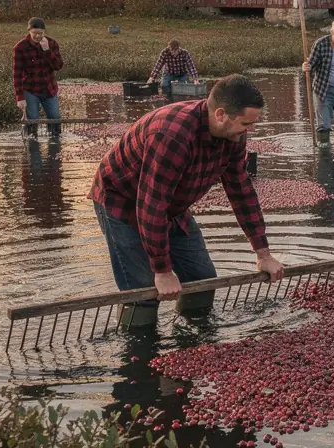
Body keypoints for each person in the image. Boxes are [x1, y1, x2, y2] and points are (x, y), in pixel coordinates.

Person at [90, 75, 285, 327]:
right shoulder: (172, 135)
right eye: (246, 123)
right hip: (123, 200)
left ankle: (192, 337)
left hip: (172, 204)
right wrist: (162, 271)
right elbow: (152, 204)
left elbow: (241, 191)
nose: (250, 130)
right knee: (144, 291)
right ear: (221, 115)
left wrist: (263, 253)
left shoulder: (234, 136)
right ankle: (139, 351)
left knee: (201, 279)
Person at [12, 17, 63, 138]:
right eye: (35, 33)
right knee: (33, 119)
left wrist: (47, 51)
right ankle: (31, 141)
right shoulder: (20, 47)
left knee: (55, 118)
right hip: (30, 90)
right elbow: (17, 74)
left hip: (49, 88)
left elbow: (58, 66)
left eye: (40, 33)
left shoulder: (52, 44)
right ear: (29, 31)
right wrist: (20, 97)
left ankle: (55, 142)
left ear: (44, 32)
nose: (37, 36)